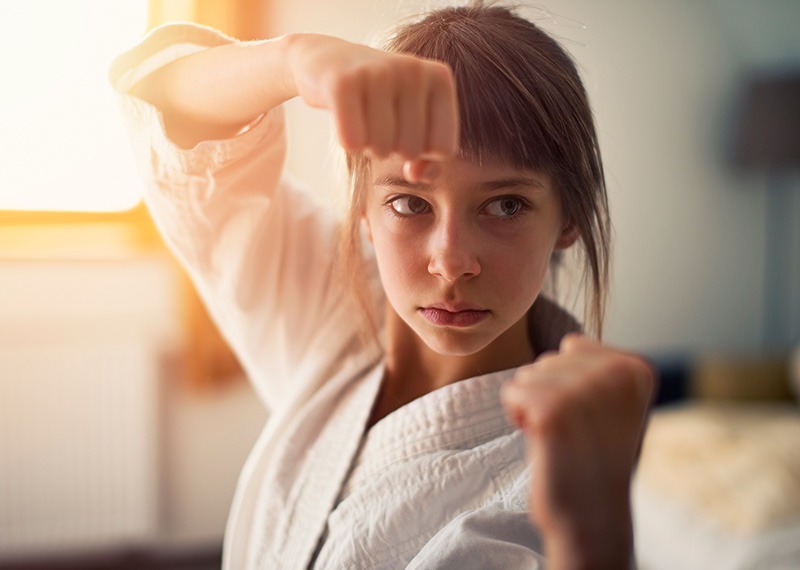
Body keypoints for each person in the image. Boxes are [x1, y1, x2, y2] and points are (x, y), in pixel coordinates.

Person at [109, 2, 656, 568]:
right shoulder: (331, 304)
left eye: (506, 204)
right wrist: (293, 60)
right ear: (363, 211)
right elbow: (171, 117)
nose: (450, 261)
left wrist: (591, 539)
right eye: (409, 203)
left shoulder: (558, 482)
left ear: (569, 216)